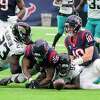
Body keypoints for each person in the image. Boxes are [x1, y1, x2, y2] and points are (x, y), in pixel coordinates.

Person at [64, 15, 100, 89]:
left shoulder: (85, 34)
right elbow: (71, 57)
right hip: (84, 68)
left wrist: (74, 62)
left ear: (77, 26)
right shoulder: (67, 40)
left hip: (93, 63)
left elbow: (88, 56)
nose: (68, 29)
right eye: (67, 27)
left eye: (71, 27)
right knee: (83, 85)